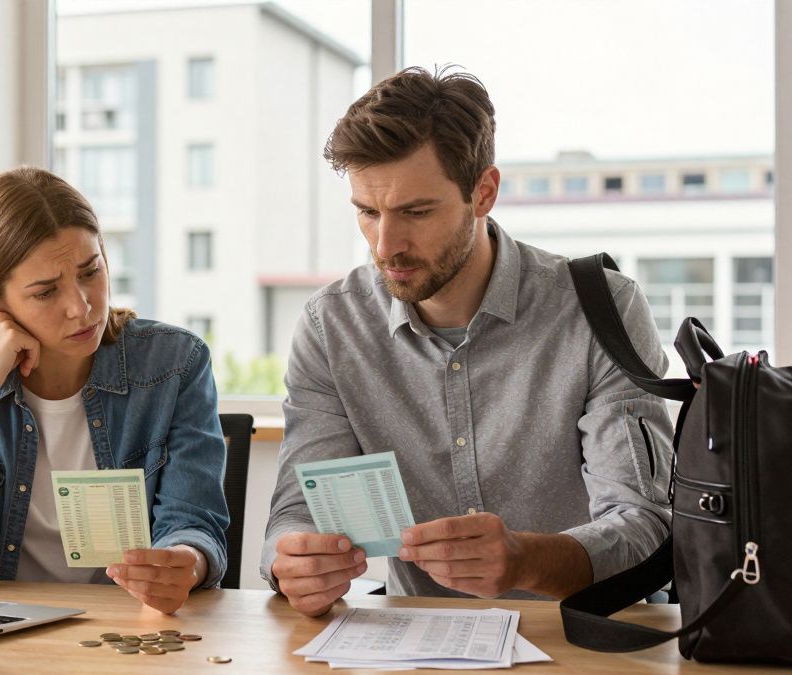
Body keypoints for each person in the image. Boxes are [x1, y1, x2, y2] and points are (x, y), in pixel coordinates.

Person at [262, 67, 673, 616]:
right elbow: (295, 513)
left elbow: (645, 525)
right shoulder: (331, 325)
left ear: (483, 193)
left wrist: (527, 561)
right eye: (367, 212)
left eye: (415, 212)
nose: (385, 245)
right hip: (415, 643)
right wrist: (291, 562)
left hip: (584, 636)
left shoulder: (601, 308)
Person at [0, 167, 230, 614]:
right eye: (45, 292)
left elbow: (194, 526)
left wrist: (186, 564)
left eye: (90, 271)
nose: (81, 307)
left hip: (125, 627)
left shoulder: (175, 364)